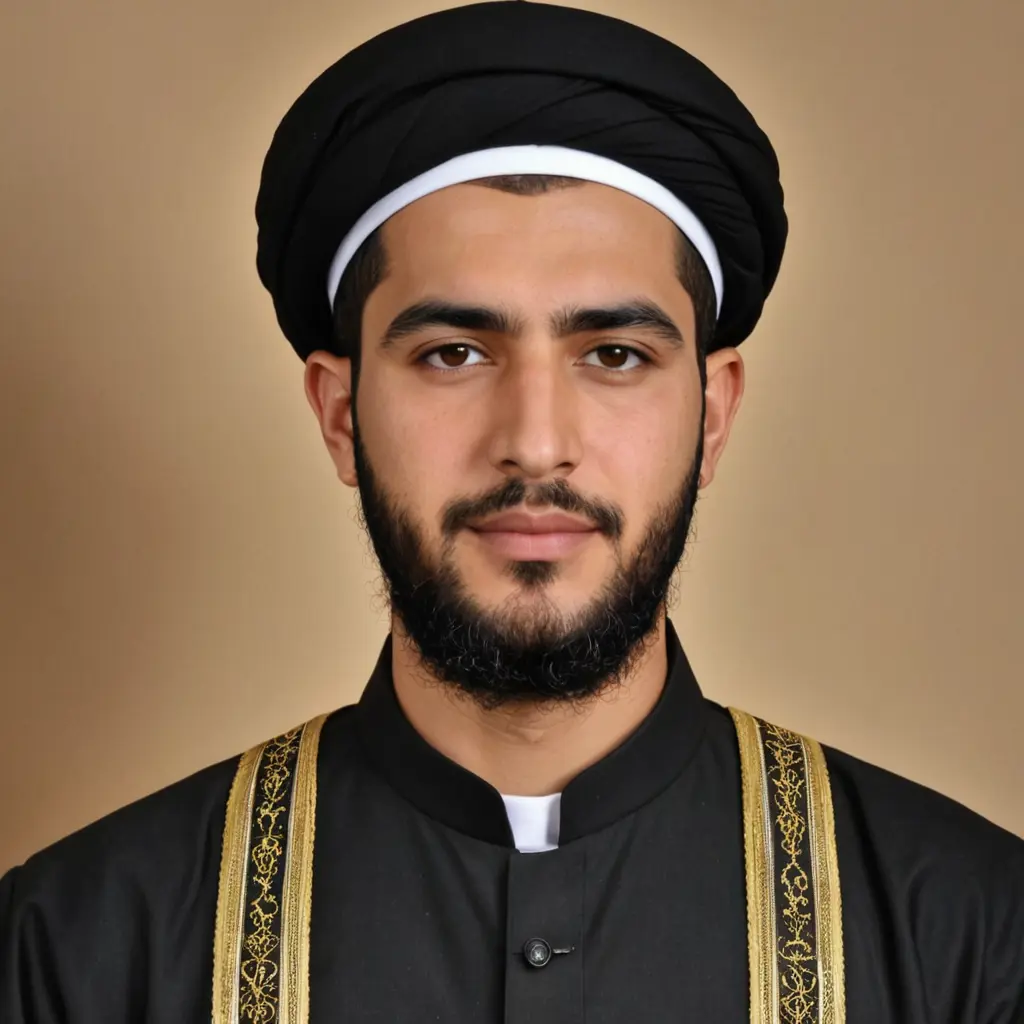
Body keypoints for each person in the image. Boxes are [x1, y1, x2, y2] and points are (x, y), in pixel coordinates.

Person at [2, 2, 1022, 1022]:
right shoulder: (77, 952)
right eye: (454, 354)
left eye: (613, 355)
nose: (535, 443)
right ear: (341, 413)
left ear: (711, 416)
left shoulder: (969, 939)